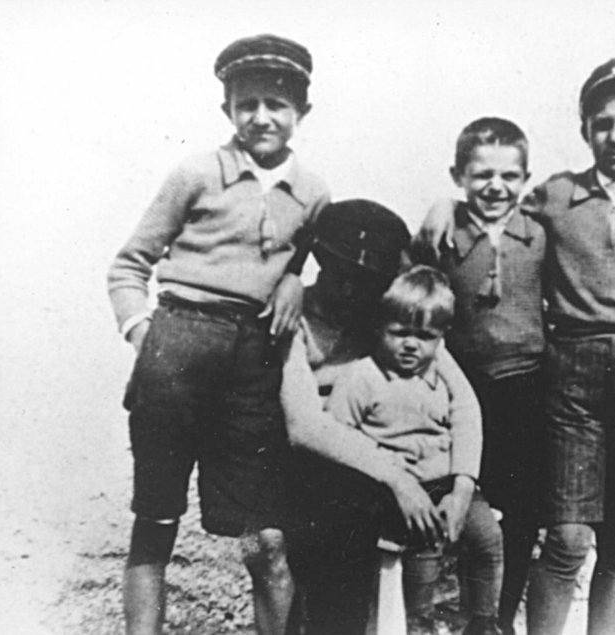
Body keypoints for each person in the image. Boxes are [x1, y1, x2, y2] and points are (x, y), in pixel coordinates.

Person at [418, 58, 615, 635]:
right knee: (565, 535)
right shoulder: (557, 196)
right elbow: (493, 214)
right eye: (603, 123)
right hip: (571, 374)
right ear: (586, 129)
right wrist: (443, 206)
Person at [107, 34, 329, 635]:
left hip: (252, 367)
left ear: (301, 113)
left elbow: (300, 264)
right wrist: (146, 336)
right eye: (247, 103)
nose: (261, 117)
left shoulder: (312, 194)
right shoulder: (196, 173)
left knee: (266, 539)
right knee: (155, 525)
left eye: (277, 104)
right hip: (176, 351)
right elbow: (129, 265)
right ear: (227, 109)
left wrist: (294, 284)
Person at [279, 200, 484, 635]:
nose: (351, 293)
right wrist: (397, 478)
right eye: (340, 276)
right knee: (344, 526)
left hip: (392, 456)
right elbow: (305, 426)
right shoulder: (296, 316)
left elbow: (462, 400)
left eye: (364, 281)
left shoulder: (392, 319)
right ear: (320, 266)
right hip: (324, 457)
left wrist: (463, 484)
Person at [413, 117, 547, 635]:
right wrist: (438, 209)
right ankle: (440, 607)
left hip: (526, 386)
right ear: (458, 176)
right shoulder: (443, 232)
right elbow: (408, 281)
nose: (496, 186)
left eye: (510, 176)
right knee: (465, 499)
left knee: (521, 511)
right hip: (463, 387)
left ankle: (498, 618)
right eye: (482, 174)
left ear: (526, 178)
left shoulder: (538, 231)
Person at [326, 265, 504, 635]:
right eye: (400, 333)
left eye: (424, 336)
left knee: (488, 539)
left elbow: (466, 418)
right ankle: (419, 622)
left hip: (448, 480)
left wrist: (463, 483)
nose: (411, 345)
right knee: (426, 550)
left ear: (441, 339)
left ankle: (484, 620)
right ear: (380, 328)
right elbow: (338, 435)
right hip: (400, 490)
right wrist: (385, 469)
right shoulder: (361, 377)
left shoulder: (439, 372)